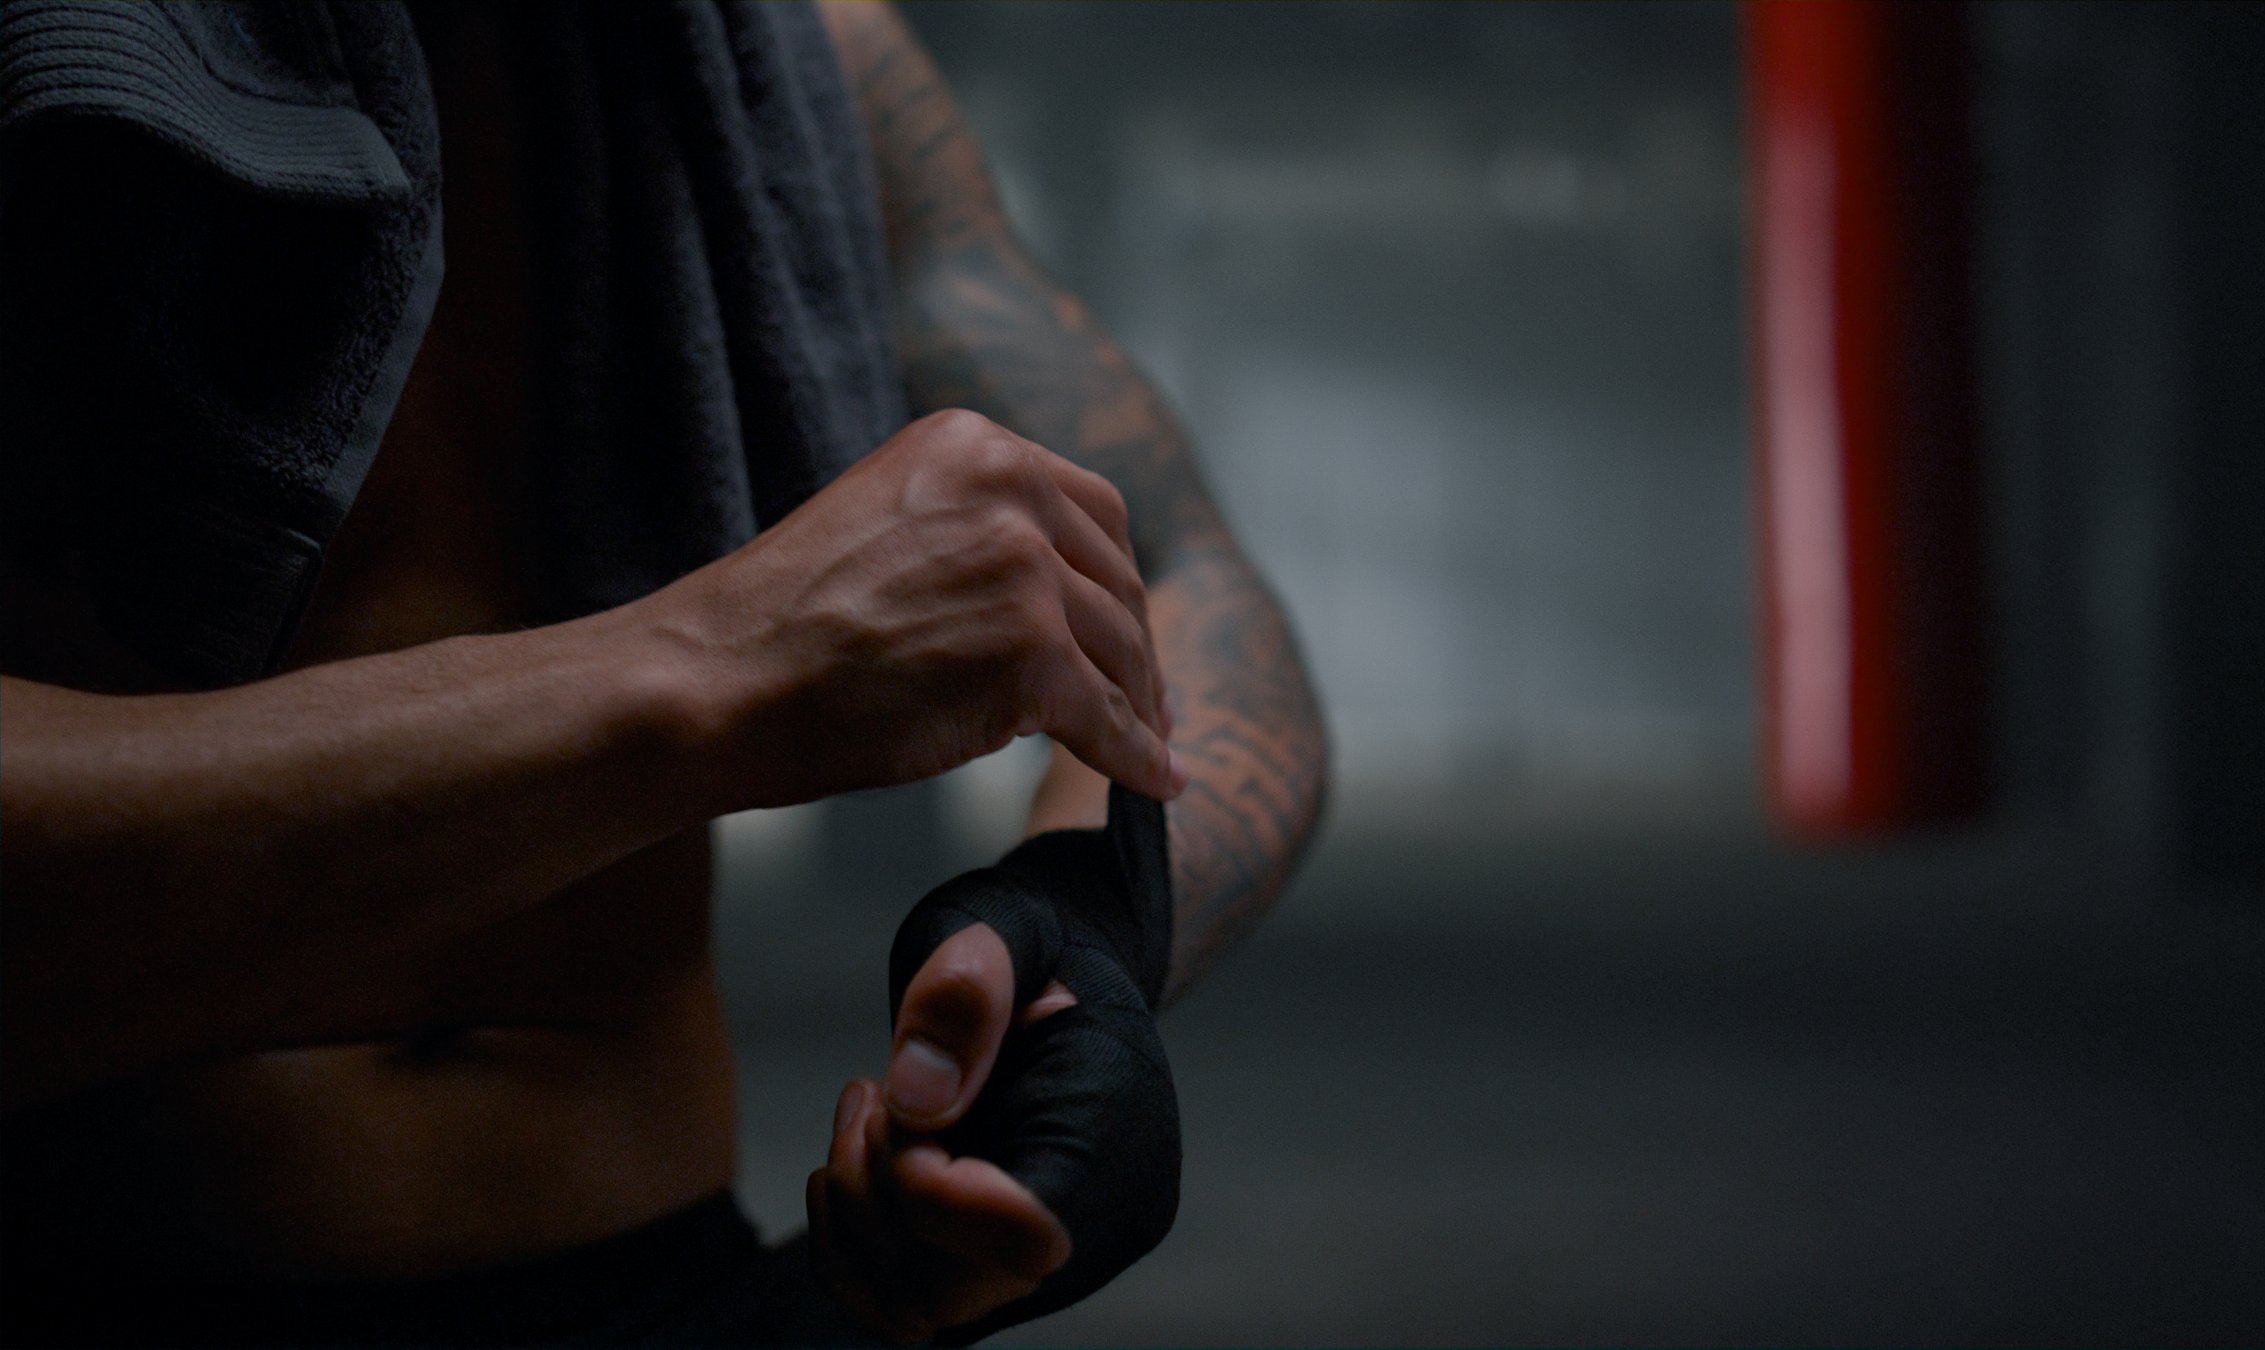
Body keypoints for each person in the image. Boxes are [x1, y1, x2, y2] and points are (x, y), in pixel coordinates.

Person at [0, 0, 1326, 1343]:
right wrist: (714, 668)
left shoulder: (802, 53)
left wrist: (1082, 922)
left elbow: (1187, 577)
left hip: (680, 1281)